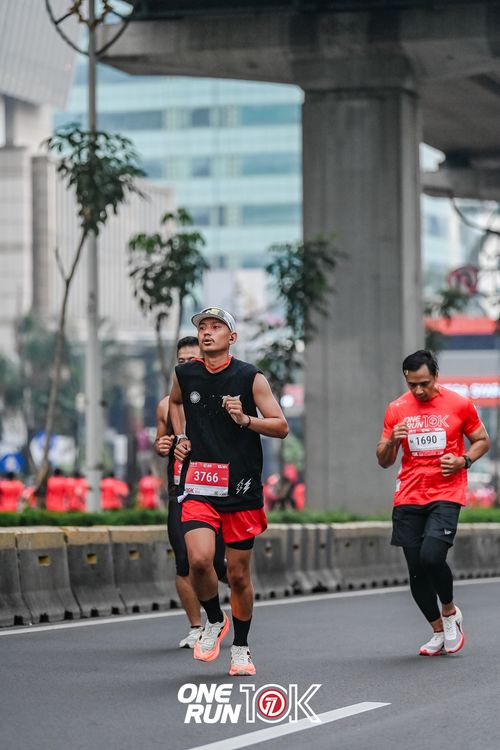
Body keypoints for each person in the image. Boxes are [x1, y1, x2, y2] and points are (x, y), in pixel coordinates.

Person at [170, 307, 288, 675]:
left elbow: (281, 426)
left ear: (231, 337)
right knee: (199, 559)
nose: (206, 333)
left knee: (237, 575)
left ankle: (241, 647)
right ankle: (214, 618)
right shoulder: (185, 374)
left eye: (216, 327)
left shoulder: (250, 377)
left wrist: (245, 419)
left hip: (241, 486)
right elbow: (175, 402)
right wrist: (181, 436)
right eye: (202, 327)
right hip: (200, 483)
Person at [377, 349, 489, 656]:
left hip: (446, 493)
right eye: (412, 384)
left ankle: (450, 612)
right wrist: (392, 440)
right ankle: (437, 631)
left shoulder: (459, 404)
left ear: (436, 376)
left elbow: (482, 440)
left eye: (424, 383)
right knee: (415, 569)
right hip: (408, 495)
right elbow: (384, 460)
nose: (418, 390)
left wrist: (464, 460)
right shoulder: (397, 409)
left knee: (431, 556)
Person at [155, 336, 227, 649]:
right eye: (181, 361)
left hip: (215, 490)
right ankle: (198, 626)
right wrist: (163, 444)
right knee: (184, 560)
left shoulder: (218, 397)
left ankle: (229, 596)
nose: (186, 366)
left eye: (192, 360)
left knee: (215, 564)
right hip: (181, 490)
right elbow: (161, 443)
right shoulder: (166, 404)